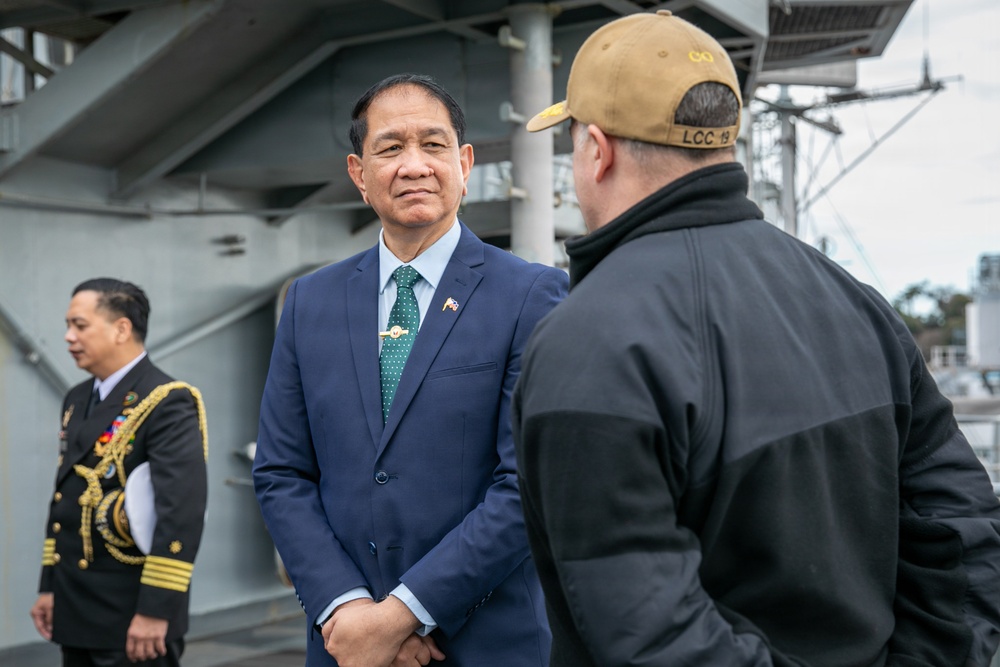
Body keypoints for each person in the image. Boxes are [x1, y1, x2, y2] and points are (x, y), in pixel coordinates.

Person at [513, 10, 1000, 667]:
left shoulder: (585, 340)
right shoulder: (858, 303)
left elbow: (647, 634)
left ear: (596, 151)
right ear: (725, 141)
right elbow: (964, 532)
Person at [252, 73, 566, 667]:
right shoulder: (310, 302)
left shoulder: (531, 294)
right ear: (358, 173)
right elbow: (282, 473)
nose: (414, 165)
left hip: (484, 645)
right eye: (391, 148)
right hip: (343, 645)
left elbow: (526, 483)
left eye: (434, 144)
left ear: (465, 163)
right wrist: (346, 611)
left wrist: (401, 615)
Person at [30, 278, 209, 667]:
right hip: (76, 604)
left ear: (121, 328)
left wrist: (156, 610)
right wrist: (50, 587)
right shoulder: (78, 398)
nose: (67, 337)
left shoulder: (167, 399)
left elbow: (181, 513)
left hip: (132, 613)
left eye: (80, 325)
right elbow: (64, 495)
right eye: (68, 325)